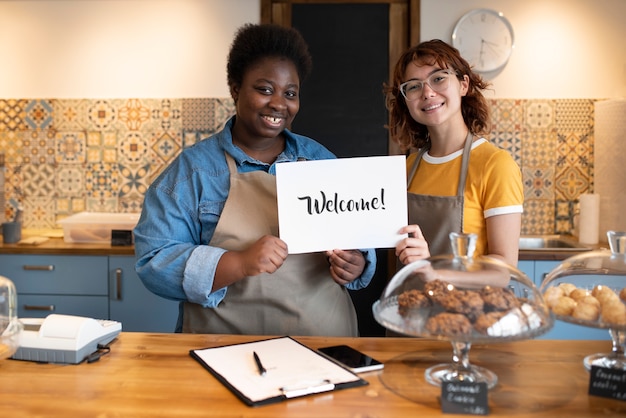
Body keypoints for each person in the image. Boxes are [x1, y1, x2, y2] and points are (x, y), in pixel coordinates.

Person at [134, 23, 376, 336]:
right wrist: (238, 263)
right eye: (264, 89)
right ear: (235, 88)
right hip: (221, 348)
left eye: (290, 93)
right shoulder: (194, 171)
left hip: (319, 345)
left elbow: (359, 234)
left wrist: (356, 262)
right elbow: (154, 261)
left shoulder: (319, 161)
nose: (278, 103)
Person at [385, 39, 523, 269]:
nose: (427, 92)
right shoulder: (407, 168)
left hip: (464, 303)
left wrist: (432, 270)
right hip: (409, 301)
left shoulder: (496, 165)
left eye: (438, 78)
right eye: (413, 86)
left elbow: (504, 269)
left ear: (463, 84)